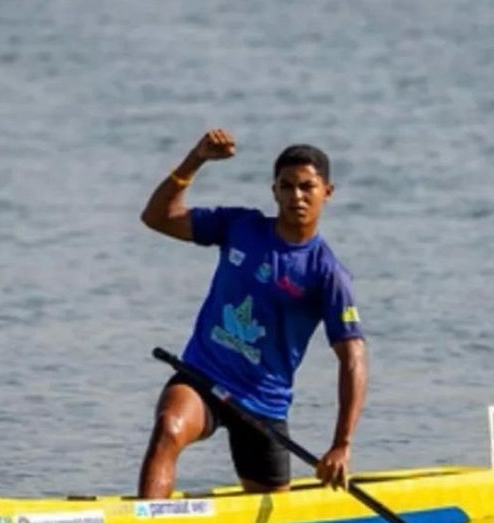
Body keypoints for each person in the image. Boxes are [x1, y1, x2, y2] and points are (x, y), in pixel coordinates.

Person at [137, 128, 367, 498]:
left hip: (262, 407)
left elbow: (353, 358)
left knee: (271, 511)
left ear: (327, 192)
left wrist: (341, 443)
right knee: (169, 428)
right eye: (286, 186)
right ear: (274, 191)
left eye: (307, 187)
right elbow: (156, 217)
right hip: (204, 377)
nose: (296, 196)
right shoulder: (240, 227)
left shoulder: (327, 274)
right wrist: (195, 159)